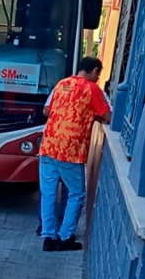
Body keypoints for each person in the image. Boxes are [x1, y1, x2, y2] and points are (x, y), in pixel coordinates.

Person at [39, 56, 112, 252]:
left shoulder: (62, 84)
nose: (98, 77)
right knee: (77, 193)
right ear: (95, 71)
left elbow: (47, 110)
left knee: (48, 194)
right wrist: (90, 115)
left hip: (48, 145)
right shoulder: (93, 89)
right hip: (69, 150)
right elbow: (108, 117)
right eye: (98, 74)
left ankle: (48, 237)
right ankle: (65, 237)